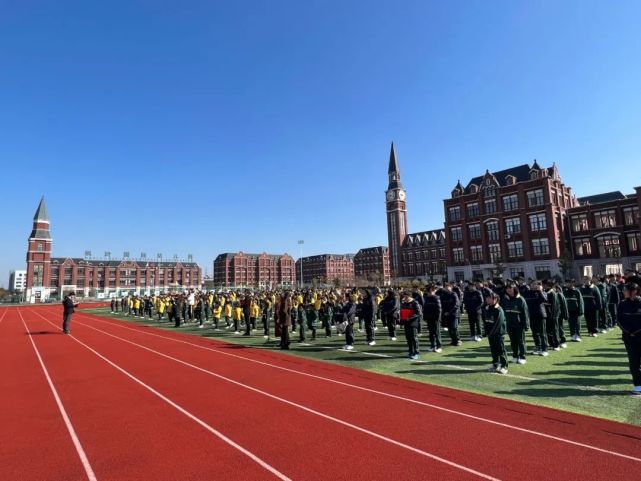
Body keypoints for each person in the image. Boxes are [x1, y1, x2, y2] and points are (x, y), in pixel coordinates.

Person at [617, 282, 641, 395]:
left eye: (626, 290)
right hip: (629, 339)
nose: (624, 292)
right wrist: (629, 332)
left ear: (634, 291)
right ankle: (638, 386)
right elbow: (619, 320)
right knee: (633, 363)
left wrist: (636, 331)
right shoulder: (622, 304)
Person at [502, 281, 529, 364]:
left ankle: (522, 356)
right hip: (510, 324)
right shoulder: (505, 299)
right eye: (507, 289)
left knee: (521, 341)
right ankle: (515, 355)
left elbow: (525, 313)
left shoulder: (520, 299)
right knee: (513, 341)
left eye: (510, 288)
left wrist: (526, 325)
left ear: (514, 289)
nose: (508, 290)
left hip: (519, 324)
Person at [482, 291, 508, 374]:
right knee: (493, 350)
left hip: (498, 334)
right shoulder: (487, 308)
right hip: (491, 334)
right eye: (487, 298)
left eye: (489, 298)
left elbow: (498, 324)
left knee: (501, 350)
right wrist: (486, 332)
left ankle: (504, 366)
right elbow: (486, 321)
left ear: (495, 299)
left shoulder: (499, 310)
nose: (487, 299)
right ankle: (495, 365)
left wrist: (491, 333)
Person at [400, 291, 422, 360]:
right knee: (408, 338)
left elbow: (419, 313)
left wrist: (410, 318)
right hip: (406, 323)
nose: (405, 298)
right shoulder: (404, 303)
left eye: (406, 297)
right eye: (404, 297)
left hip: (413, 323)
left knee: (414, 338)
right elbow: (402, 312)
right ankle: (411, 351)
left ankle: (417, 353)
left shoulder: (415, 303)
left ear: (410, 296)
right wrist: (401, 322)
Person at [423, 284, 442, 353]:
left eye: (432, 291)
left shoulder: (436, 298)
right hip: (429, 318)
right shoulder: (427, 298)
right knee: (431, 333)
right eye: (429, 292)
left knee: (437, 333)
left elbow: (439, 309)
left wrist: (438, 318)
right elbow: (424, 308)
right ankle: (432, 345)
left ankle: (439, 346)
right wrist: (425, 317)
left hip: (435, 319)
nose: (430, 293)